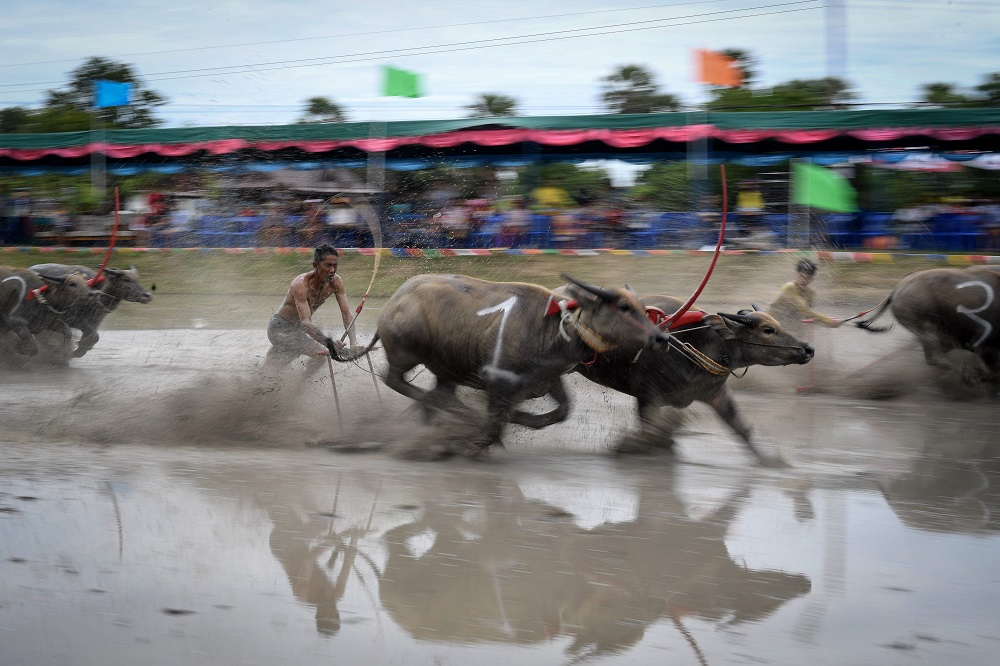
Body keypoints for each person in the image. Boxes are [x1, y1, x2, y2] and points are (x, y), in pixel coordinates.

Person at [265, 243, 359, 367]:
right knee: (319, 356)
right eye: (328, 266)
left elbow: (347, 314)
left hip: (297, 331)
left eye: (335, 266)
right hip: (280, 328)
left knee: (271, 371)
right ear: (315, 265)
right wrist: (330, 344)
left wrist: (354, 343)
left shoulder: (336, 281)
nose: (332, 270)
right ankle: (300, 385)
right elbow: (306, 323)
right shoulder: (300, 284)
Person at [768, 258, 843, 335]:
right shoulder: (789, 287)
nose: (803, 280)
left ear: (812, 279)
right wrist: (826, 319)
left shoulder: (811, 293)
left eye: (807, 278)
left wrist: (828, 323)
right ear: (795, 275)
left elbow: (808, 317)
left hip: (789, 325)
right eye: (801, 276)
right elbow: (803, 310)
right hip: (771, 324)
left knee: (802, 333)